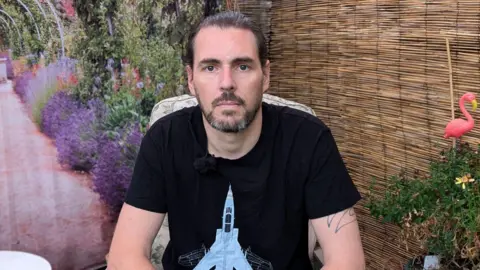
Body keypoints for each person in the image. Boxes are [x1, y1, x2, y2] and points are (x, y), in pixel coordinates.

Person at [107, 11, 365, 270]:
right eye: (210, 67)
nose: (226, 83)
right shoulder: (165, 139)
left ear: (265, 76)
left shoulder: (308, 139)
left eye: (243, 66)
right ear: (190, 79)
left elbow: (347, 262)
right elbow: (124, 256)